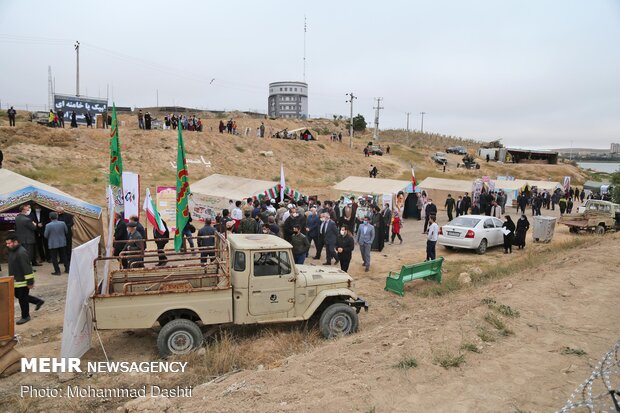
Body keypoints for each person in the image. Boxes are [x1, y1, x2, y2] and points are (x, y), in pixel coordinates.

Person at [7, 232, 44, 325]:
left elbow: (27, 268)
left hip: (23, 281)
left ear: (15, 242)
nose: (7, 245)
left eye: (9, 243)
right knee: (19, 296)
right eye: (7, 243)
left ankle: (25, 316)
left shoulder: (21, 252)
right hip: (16, 280)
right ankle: (38, 301)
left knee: (22, 299)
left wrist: (30, 282)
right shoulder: (12, 251)